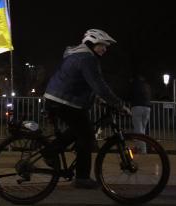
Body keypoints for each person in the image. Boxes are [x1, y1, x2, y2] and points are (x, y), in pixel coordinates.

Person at [43, 29, 130, 189]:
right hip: (64, 101)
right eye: (102, 45)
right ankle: (82, 177)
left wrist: (98, 99)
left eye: (106, 46)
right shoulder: (87, 59)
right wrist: (118, 104)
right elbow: (99, 85)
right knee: (86, 134)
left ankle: (51, 150)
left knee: (80, 130)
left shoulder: (78, 55)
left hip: (59, 99)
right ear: (91, 43)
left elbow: (82, 83)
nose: (105, 49)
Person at [129, 74, 152, 153]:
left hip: (137, 106)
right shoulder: (147, 85)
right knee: (142, 128)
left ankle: (142, 149)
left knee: (138, 129)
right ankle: (138, 147)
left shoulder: (133, 84)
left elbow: (129, 95)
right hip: (147, 107)